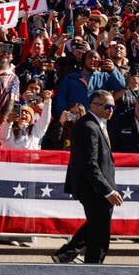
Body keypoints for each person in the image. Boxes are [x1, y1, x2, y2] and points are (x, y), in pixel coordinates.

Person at [52, 90, 123, 265]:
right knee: (100, 235)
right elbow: (89, 164)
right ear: (93, 105)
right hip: (93, 188)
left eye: (112, 106)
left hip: (97, 186)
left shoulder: (97, 124)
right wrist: (107, 191)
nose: (110, 110)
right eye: (106, 106)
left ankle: (66, 254)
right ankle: (93, 268)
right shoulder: (88, 126)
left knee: (95, 225)